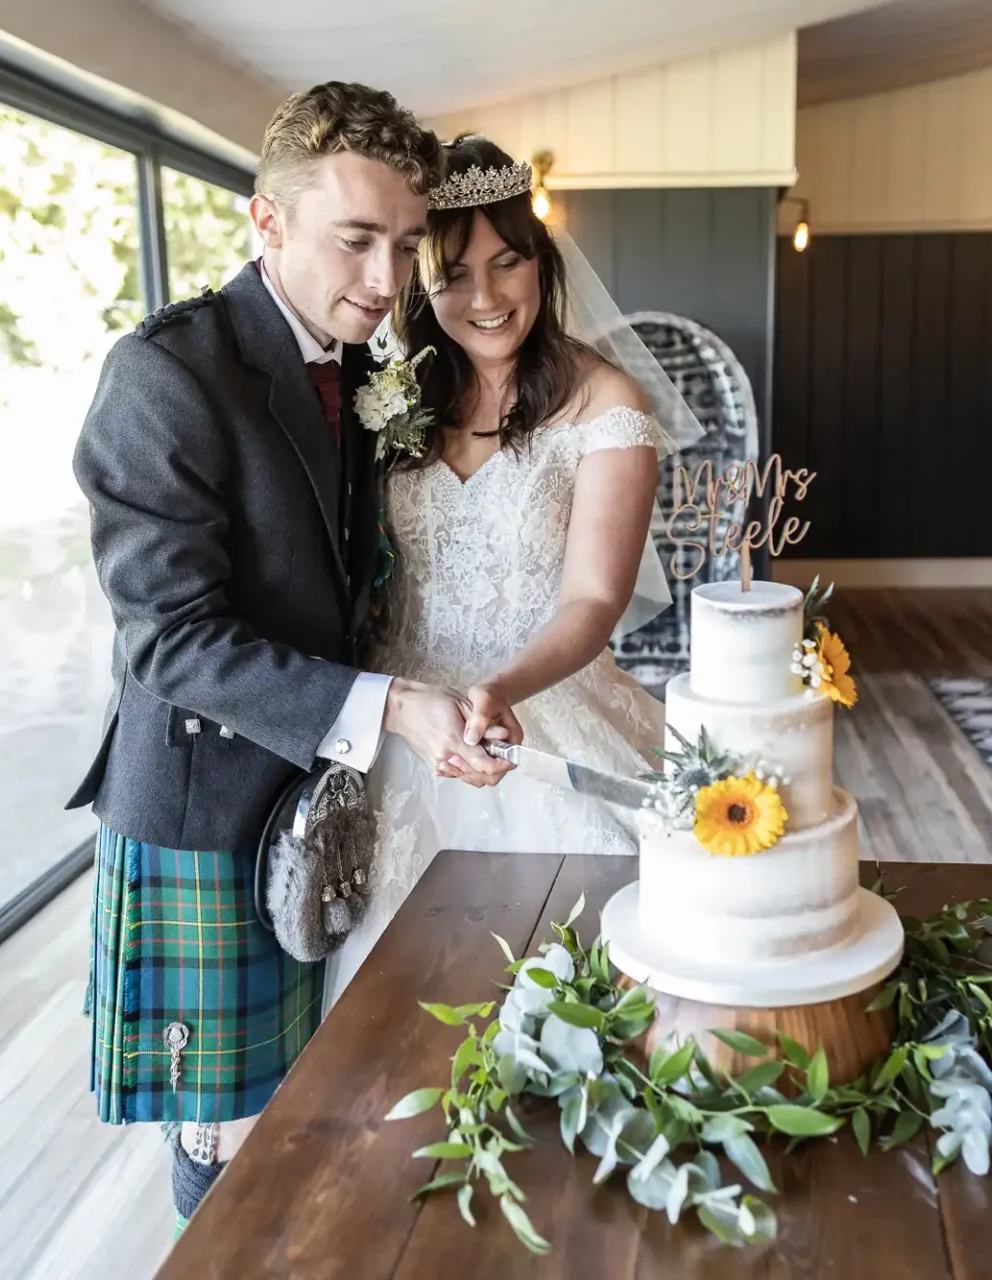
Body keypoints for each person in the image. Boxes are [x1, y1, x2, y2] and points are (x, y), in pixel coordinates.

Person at [66, 84, 509, 1231]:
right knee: (235, 1130)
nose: (386, 278)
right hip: (210, 804)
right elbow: (169, 639)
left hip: (323, 788)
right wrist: (393, 704)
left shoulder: (369, 366)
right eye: (355, 239)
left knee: (327, 1095)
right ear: (267, 223)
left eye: (407, 246)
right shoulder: (166, 374)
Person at [323, 134, 683, 1007]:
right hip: (402, 728)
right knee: (399, 1014)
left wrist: (501, 688)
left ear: (542, 263)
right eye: (451, 275)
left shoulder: (608, 406)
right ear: (418, 282)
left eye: (507, 263)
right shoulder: (391, 395)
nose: (484, 298)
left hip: (543, 710)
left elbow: (594, 598)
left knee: (569, 993)